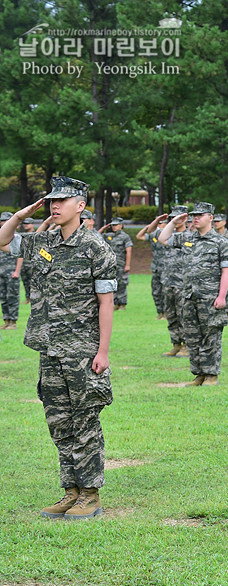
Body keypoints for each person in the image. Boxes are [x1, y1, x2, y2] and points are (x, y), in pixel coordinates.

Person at [0, 176, 117, 519]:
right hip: (49, 348)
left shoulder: (95, 247)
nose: (54, 205)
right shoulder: (42, 241)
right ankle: (71, 491)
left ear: (80, 206)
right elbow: (2, 241)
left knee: (85, 421)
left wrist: (103, 351)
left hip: (82, 350)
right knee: (59, 422)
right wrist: (21, 216)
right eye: (51, 200)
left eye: (62, 200)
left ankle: (91, 494)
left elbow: (105, 303)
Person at [159, 202, 228, 386]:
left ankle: (211, 375)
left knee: (211, 336)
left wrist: (222, 296)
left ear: (211, 217)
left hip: (210, 298)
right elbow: (163, 238)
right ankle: (199, 374)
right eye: (194, 215)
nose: (196, 218)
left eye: (201, 215)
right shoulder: (187, 238)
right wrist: (175, 221)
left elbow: (227, 271)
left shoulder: (221, 242)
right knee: (192, 337)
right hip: (189, 297)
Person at [159, 206, 190, 358]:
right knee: (171, 315)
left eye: (178, 218)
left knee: (183, 315)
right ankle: (175, 344)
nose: (175, 221)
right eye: (172, 218)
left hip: (182, 282)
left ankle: (186, 345)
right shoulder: (168, 235)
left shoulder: (189, 236)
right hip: (168, 281)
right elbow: (160, 239)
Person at [137, 214, 169, 320]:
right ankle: (160, 312)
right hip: (156, 267)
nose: (159, 225)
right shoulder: (154, 235)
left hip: (167, 268)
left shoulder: (171, 235)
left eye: (161, 223)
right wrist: (148, 227)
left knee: (166, 291)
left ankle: (167, 313)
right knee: (156, 291)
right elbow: (139, 236)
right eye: (158, 223)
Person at [98, 217, 132, 311]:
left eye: (116, 225)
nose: (114, 227)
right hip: (112, 265)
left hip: (121, 264)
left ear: (121, 225)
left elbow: (128, 251)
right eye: (113, 225)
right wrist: (104, 228)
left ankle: (122, 304)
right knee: (113, 284)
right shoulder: (109, 236)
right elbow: (96, 235)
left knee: (122, 284)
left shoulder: (125, 237)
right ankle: (116, 303)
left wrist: (127, 265)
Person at [0, 212, 23, 329]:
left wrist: (17, 271)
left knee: (12, 297)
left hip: (11, 272)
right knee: (3, 298)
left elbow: (20, 255)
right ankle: (6, 320)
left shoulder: (15, 237)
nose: (3, 223)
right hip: (1, 272)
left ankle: (13, 322)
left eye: (6, 220)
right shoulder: (1, 237)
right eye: (2, 220)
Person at [19, 217, 39, 304]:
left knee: (34, 282)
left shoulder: (37, 234)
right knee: (25, 282)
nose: (26, 225)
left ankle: (35, 299)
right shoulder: (21, 236)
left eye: (28, 224)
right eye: (24, 224)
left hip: (33, 263)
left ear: (32, 224)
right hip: (23, 263)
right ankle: (28, 299)